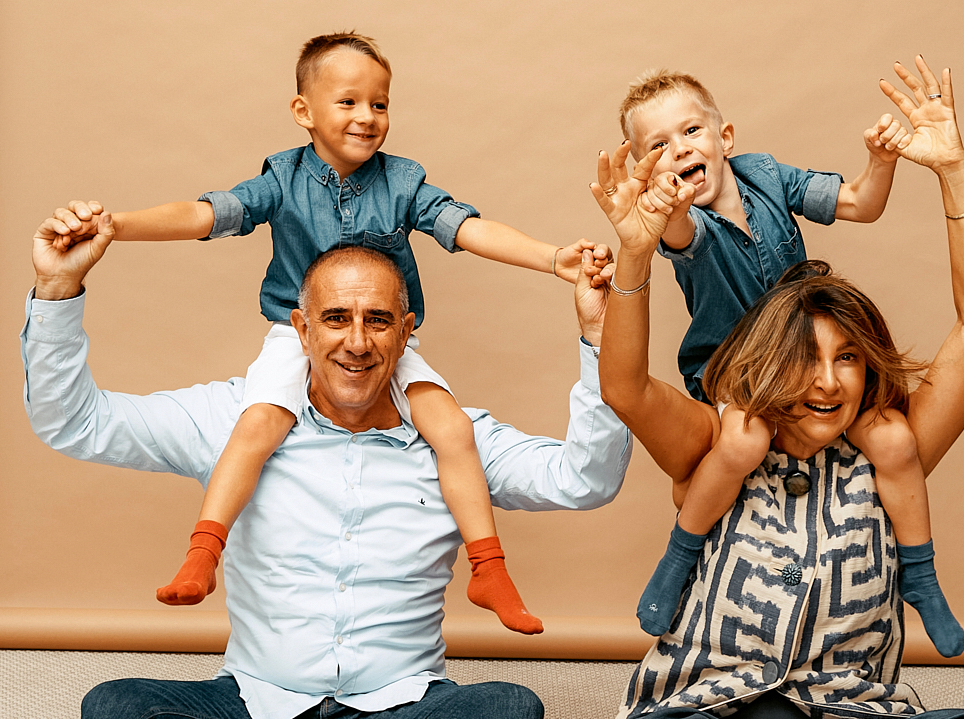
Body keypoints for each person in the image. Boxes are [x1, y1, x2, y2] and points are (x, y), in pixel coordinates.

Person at [47, 32, 605, 634]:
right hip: (296, 334)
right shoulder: (282, 179)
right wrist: (117, 226)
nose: (367, 117)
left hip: (387, 339)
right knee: (257, 424)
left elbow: (469, 229)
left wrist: (553, 259)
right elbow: (204, 215)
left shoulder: (403, 182)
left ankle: (489, 569)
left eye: (380, 104)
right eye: (348, 102)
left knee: (452, 428)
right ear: (303, 111)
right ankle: (203, 553)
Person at [22, 212, 631, 719]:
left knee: (508, 707)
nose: (357, 343)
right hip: (255, 702)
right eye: (336, 318)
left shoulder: (457, 441)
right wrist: (57, 290)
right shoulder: (232, 420)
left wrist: (600, 336)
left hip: (403, 704)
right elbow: (76, 423)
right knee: (118, 705)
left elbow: (584, 480)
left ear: (405, 332)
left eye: (378, 320)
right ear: (302, 329)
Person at [592, 58, 964, 717]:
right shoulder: (715, 441)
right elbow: (625, 387)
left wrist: (952, 169)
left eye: (848, 358)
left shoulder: (889, 448)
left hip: (849, 707)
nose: (826, 381)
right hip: (717, 704)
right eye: (803, 357)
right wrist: (637, 252)